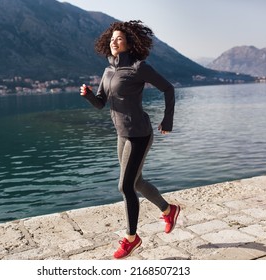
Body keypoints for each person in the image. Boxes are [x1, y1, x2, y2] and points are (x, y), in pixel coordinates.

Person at [80, 20, 180, 259]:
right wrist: (89, 96)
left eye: (120, 39)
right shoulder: (107, 71)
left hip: (140, 134)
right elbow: (101, 104)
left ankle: (131, 238)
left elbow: (168, 88)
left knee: (125, 186)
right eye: (112, 38)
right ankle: (169, 210)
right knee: (136, 182)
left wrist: (167, 121)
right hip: (122, 136)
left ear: (129, 44)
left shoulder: (138, 67)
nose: (114, 41)